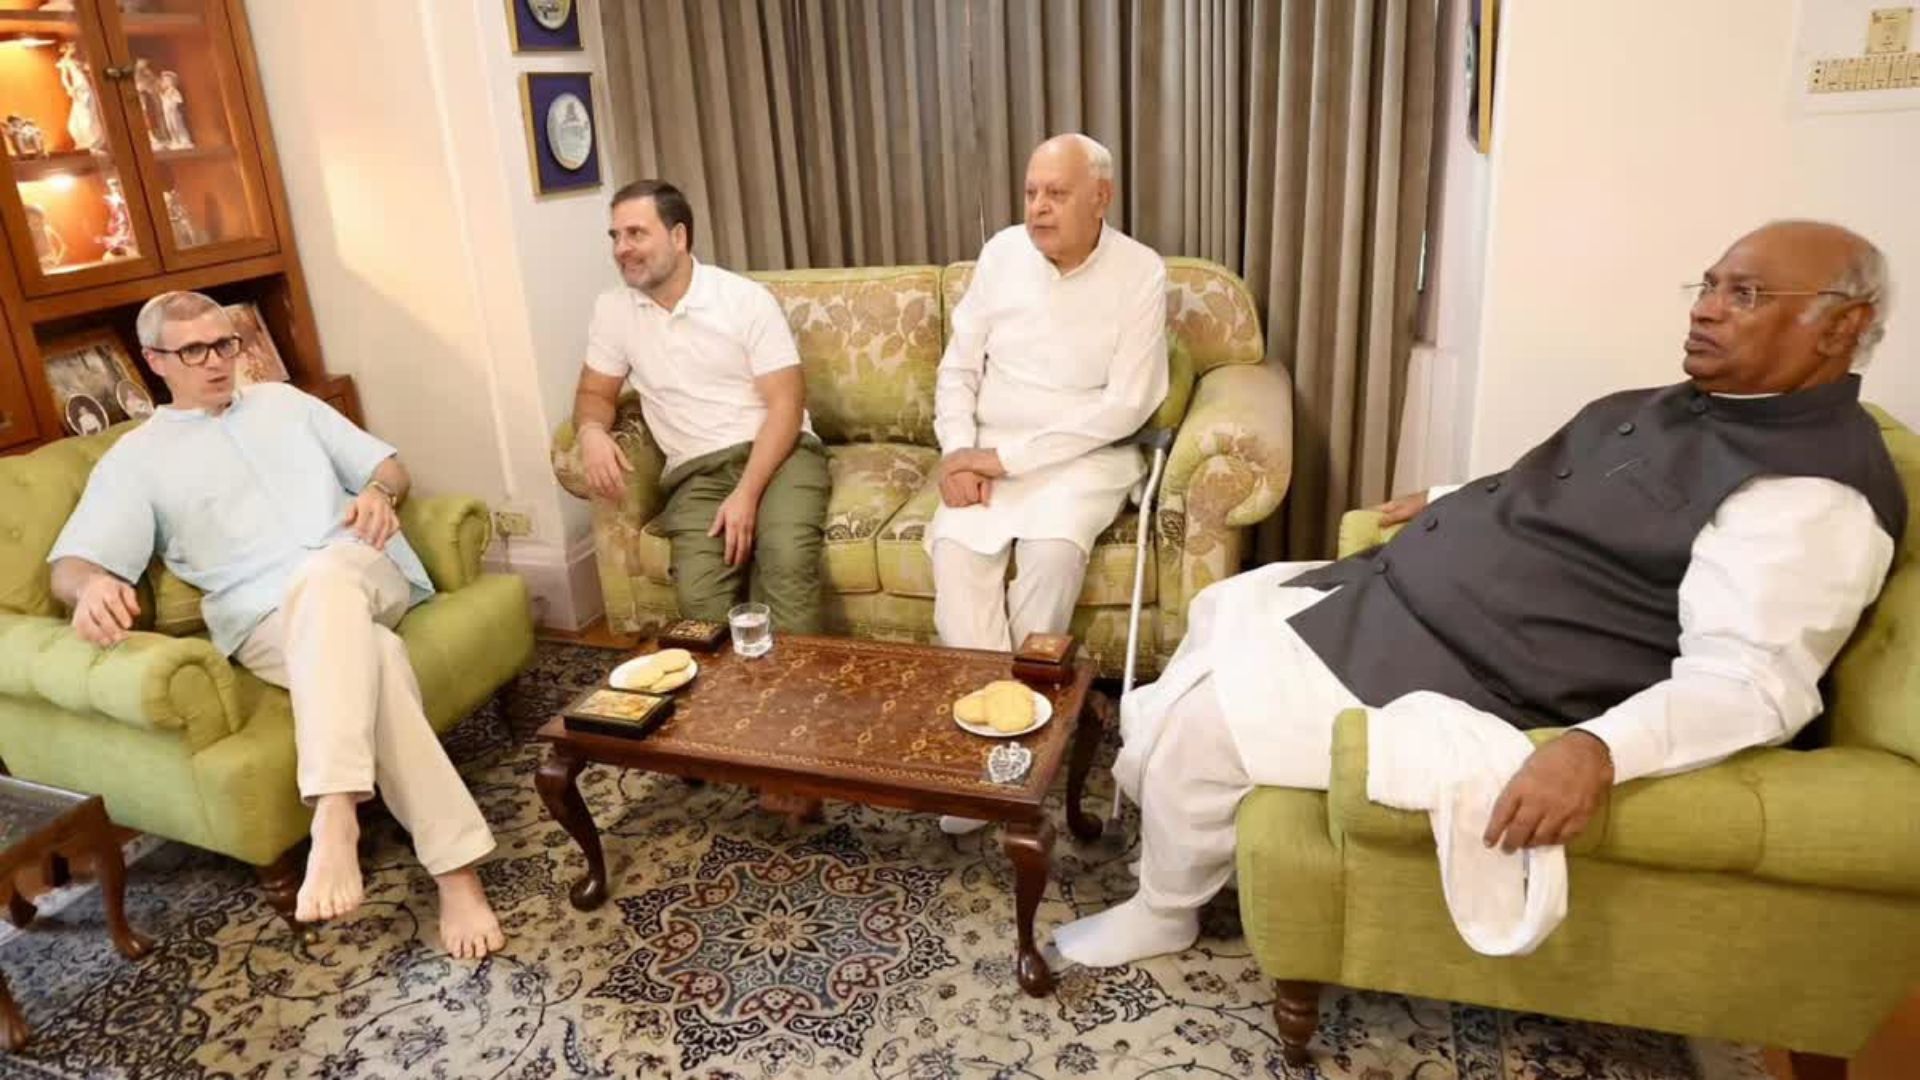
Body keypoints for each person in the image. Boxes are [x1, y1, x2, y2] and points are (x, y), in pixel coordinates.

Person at [1052, 220, 1905, 967]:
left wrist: (1597, 749)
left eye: (1745, 294)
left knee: (1204, 725)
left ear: (1844, 325)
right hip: (1413, 608)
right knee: (1228, 606)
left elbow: (1752, 684)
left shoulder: (1808, 499)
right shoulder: (1704, 404)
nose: (1706, 309)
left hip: (1482, 674)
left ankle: (1164, 911)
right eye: (1709, 285)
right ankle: (1189, 823)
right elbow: (1579, 491)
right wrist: (1453, 499)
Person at [47, 291, 505, 959]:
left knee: (325, 576)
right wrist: (90, 585)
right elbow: (71, 564)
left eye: (224, 343)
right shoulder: (134, 460)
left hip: (360, 569)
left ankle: (334, 809)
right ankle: (455, 873)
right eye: (193, 351)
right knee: (376, 658)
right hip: (262, 620)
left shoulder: (286, 403)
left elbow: (387, 467)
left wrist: (379, 494)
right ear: (154, 361)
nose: (216, 361)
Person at [929, 133, 1168, 835]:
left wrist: (1006, 459)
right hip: (984, 450)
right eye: (1031, 192)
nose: (1037, 207)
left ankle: (1017, 744)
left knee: (1051, 556)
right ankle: (993, 746)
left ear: (1101, 198)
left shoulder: (1140, 272)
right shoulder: (1001, 254)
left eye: (1056, 194)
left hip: (1082, 457)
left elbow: (1126, 404)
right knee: (958, 555)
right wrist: (958, 452)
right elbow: (957, 369)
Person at [570, 180, 829, 634]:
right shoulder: (613, 310)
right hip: (697, 473)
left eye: (636, 233)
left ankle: (792, 679)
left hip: (781, 454)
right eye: (615, 236)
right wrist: (591, 433)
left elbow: (787, 404)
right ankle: (727, 684)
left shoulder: (743, 299)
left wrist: (746, 495)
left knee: (786, 563)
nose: (621, 248)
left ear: (678, 236)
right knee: (700, 606)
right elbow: (594, 394)